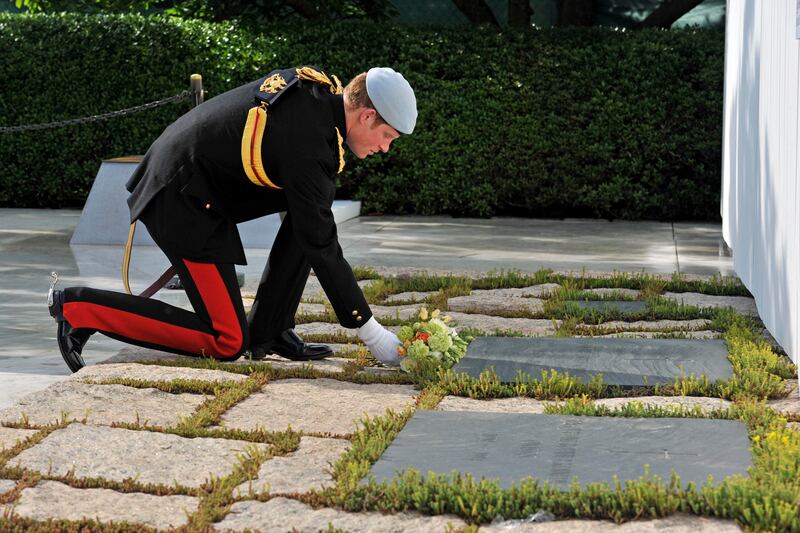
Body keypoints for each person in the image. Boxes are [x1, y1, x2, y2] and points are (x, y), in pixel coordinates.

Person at [47, 66, 416, 372]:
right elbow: (322, 244)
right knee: (226, 341)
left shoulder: (320, 96)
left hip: (196, 188)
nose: (384, 147)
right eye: (386, 136)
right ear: (366, 115)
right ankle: (80, 309)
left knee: (310, 216)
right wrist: (371, 332)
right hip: (180, 201)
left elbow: (311, 228)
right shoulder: (310, 144)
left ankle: (271, 330)